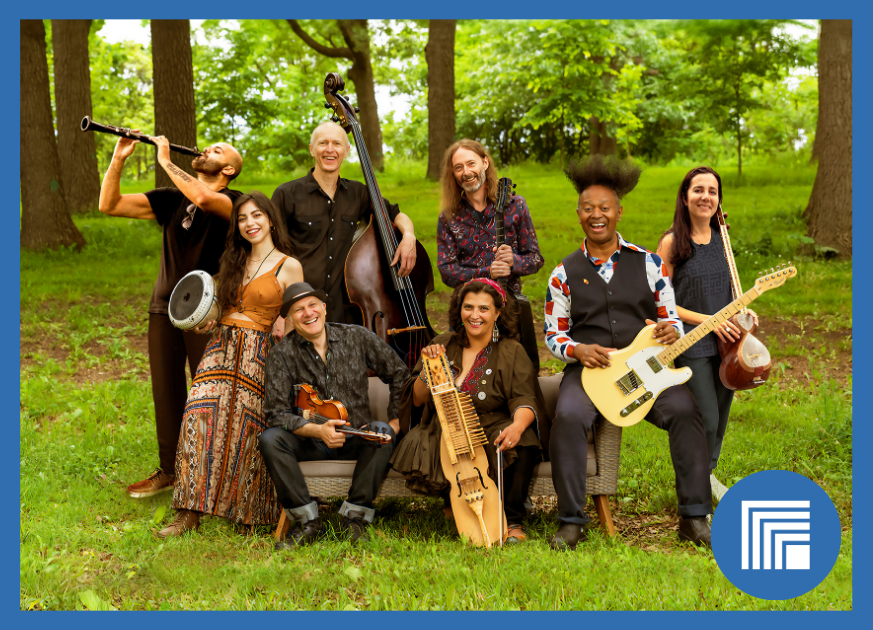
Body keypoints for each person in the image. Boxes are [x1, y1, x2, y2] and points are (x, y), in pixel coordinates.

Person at [543, 155, 712, 551]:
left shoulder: (651, 264)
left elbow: (669, 319)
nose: (596, 215)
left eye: (604, 208)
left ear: (619, 212)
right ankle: (571, 520)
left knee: (687, 413)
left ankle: (694, 518)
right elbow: (554, 336)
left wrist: (672, 330)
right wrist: (578, 349)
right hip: (588, 370)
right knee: (567, 417)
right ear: (579, 214)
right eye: (588, 209)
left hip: (645, 369)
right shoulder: (562, 274)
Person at [98, 132, 244, 499]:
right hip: (163, 306)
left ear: (228, 169)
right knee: (166, 390)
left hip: (206, 311)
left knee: (209, 391)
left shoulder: (235, 203)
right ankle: (170, 470)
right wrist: (119, 158)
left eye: (218, 150)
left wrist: (164, 161)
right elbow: (109, 204)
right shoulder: (171, 200)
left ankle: (217, 475)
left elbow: (204, 197)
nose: (207, 148)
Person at [158, 192, 304, 537]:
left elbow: (298, 317)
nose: (250, 223)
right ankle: (188, 511)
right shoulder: (232, 260)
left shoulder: (288, 265)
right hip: (220, 347)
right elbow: (217, 306)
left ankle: (248, 511)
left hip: (261, 351)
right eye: (242, 219)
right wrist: (209, 320)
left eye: (256, 216)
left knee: (248, 427)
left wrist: (286, 325)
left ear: (270, 219)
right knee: (198, 417)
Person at [390, 279, 546, 543]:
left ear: (498, 313)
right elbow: (416, 400)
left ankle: (514, 520)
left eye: (484, 309)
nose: (475, 315)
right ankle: (454, 503)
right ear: (458, 310)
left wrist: (517, 426)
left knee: (523, 441)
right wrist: (431, 368)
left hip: (491, 424)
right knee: (443, 445)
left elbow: (524, 398)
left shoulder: (511, 350)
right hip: (445, 428)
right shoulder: (443, 343)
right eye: (468, 307)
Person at [259, 283, 410, 547]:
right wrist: (317, 430)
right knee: (270, 439)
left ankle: (354, 518)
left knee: (382, 433)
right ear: (291, 319)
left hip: (356, 436)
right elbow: (276, 413)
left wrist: (396, 420)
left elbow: (400, 374)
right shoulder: (281, 354)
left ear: (324, 308)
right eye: (298, 310)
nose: (308, 313)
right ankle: (306, 521)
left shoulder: (357, 337)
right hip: (311, 442)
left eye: (312, 305)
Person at [657, 166, 754, 503]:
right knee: (706, 418)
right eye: (698, 190)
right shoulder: (671, 243)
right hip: (691, 343)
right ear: (685, 198)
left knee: (722, 416)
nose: (706, 197)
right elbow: (660, 300)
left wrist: (742, 313)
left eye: (712, 191)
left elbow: (729, 292)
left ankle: (707, 475)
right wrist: (708, 321)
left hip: (727, 342)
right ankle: (697, 487)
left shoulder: (722, 239)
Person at [270, 121, 419, 327]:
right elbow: (269, 253)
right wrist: (279, 311)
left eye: (337, 144)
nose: (330, 149)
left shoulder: (358, 193)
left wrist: (409, 237)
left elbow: (396, 215)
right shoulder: (287, 194)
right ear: (312, 149)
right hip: (298, 304)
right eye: (323, 143)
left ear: (347, 151)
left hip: (340, 307)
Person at [437, 140, 544, 294]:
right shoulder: (449, 217)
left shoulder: (515, 205)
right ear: (453, 174)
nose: (466, 172)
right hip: (468, 302)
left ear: (485, 163)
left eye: (471, 163)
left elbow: (536, 259)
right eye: (458, 167)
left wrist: (514, 261)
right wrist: (487, 273)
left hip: (508, 302)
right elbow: (447, 271)